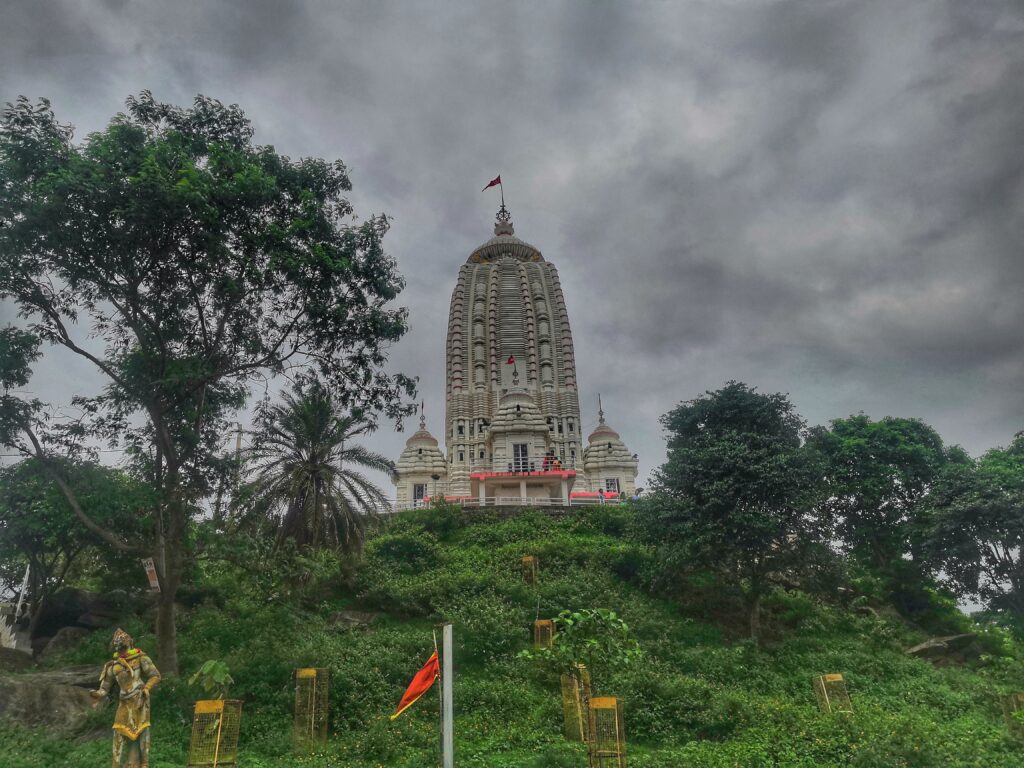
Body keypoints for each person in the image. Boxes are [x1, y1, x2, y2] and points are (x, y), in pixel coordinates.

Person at [92, 628, 161, 768]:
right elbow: (105, 688)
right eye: (119, 648)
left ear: (129, 644)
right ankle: (115, 764)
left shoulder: (141, 658)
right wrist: (97, 694)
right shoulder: (113, 665)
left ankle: (144, 764)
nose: (122, 651)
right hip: (124, 702)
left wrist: (147, 688)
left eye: (123, 647)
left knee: (143, 730)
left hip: (139, 699)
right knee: (118, 730)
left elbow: (155, 675)